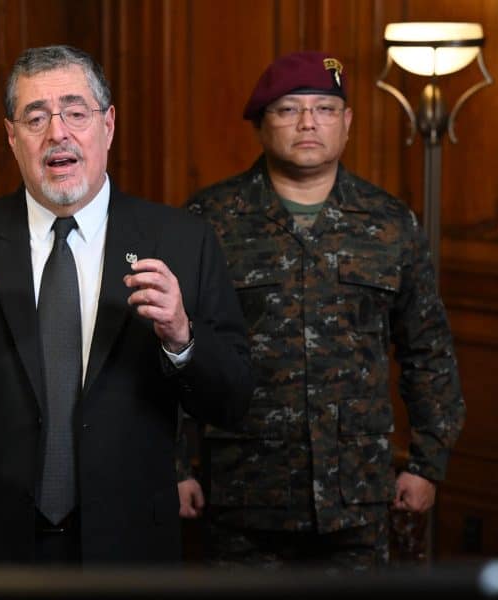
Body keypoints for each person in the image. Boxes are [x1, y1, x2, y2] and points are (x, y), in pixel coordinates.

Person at [0, 45, 253, 564]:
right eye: (36, 117)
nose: (58, 133)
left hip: (128, 548)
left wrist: (183, 339)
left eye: (76, 112)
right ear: (12, 137)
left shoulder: (182, 240)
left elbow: (232, 401)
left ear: (108, 125)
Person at [180, 51, 466, 570]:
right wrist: (176, 466)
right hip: (245, 490)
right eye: (289, 110)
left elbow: (429, 350)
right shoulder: (208, 221)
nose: (309, 123)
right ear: (261, 124)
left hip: (357, 494)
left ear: (347, 123)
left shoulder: (390, 222)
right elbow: (174, 347)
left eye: (326, 109)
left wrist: (428, 463)